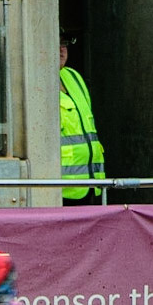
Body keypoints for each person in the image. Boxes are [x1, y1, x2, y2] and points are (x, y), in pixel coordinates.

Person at [59, 34, 105, 205]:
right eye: (54, 43)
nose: (61, 49)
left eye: (63, 43)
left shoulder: (73, 76)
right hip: (61, 188)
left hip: (93, 183)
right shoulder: (35, 81)